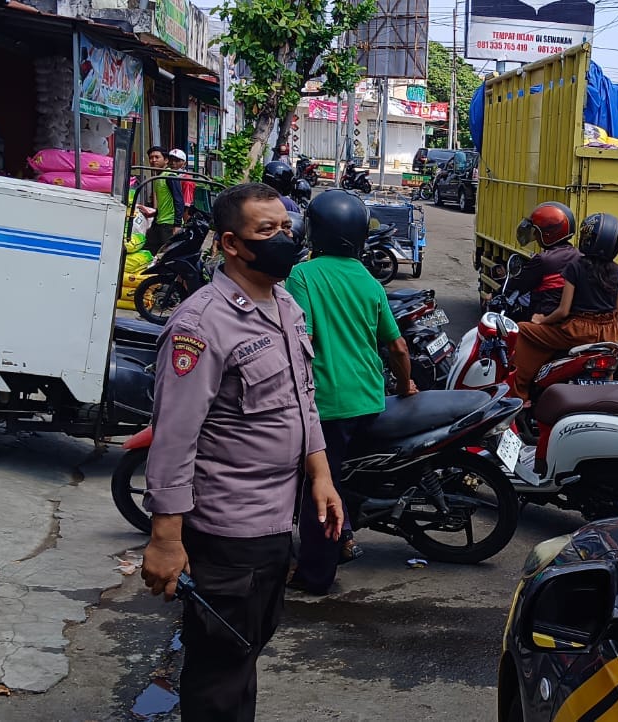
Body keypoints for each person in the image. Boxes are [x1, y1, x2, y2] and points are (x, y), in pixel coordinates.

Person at [139, 182, 341, 720]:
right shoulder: (201, 325)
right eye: (267, 231)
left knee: (245, 649)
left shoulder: (286, 305)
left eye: (287, 227)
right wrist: (165, 539)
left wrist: (319, 471)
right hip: (227, 531)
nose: (286, 238)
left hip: (276, 523)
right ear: (231, 243)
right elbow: (174, 438)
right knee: (218, 669)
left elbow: (303, 399)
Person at [284, 190, 417, 594]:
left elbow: (299, 339)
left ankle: (316, 575)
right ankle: (345, 535)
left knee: (317, 489)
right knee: (339, 478)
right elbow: (396, 346)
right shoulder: (370, 282)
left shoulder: (302, 276)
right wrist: (407, 382)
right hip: (368, 399)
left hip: (325, 405)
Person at [510, 212, 618, 401]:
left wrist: (541, 320)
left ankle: (519, 394)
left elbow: (563, 310)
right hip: (609, 334)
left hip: (577, 332)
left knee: (523, 330)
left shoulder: (576, 266)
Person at [502, 201, 581, 320]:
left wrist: (496, 294)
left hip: (544, 318)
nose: (535, 236)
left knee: (521, 331)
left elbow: (520, 282)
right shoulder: (579, 256)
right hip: (572, 321)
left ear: (548, 233)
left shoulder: (544, 260)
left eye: (537, 232)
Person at [136, 147, 183, 251]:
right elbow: (165, 202)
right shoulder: (158, 177)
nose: (153, 160)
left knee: (164, 255)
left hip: (169, 225)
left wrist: (177, 225)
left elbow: (179, 200)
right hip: (159, 223)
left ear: (166, 160)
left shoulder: (170, 176)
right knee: (148, 250)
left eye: (157, 157)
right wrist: (153, 214)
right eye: (151, 158)